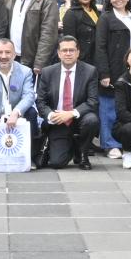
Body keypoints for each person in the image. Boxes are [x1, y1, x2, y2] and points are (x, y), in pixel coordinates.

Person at [32, 36, 99, 170]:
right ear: (58, 53)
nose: (68, 53)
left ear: (78, 52)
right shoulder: (47, 72)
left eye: (71, 50)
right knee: (57, 163)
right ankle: (72, 146)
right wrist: (51, 115)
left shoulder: (90, 71)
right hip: (58, 121)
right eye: (64, 50)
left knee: (92, 120)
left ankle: (83, 153)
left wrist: (71, 113)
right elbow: (40, 101)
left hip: (79, 118)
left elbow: (93, 101)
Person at [95, 0, 131, 158]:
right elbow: (100, 47)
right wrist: (104, 73)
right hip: (112, 67)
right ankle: (110, 144)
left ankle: (125, 142)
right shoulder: (105, 18)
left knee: (125, 107)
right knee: (108, 108)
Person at [7, 0, 61, 70]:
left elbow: (48, 35)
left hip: (33, 63)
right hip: (11, 59)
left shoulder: (47, 0)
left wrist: (39, 63)